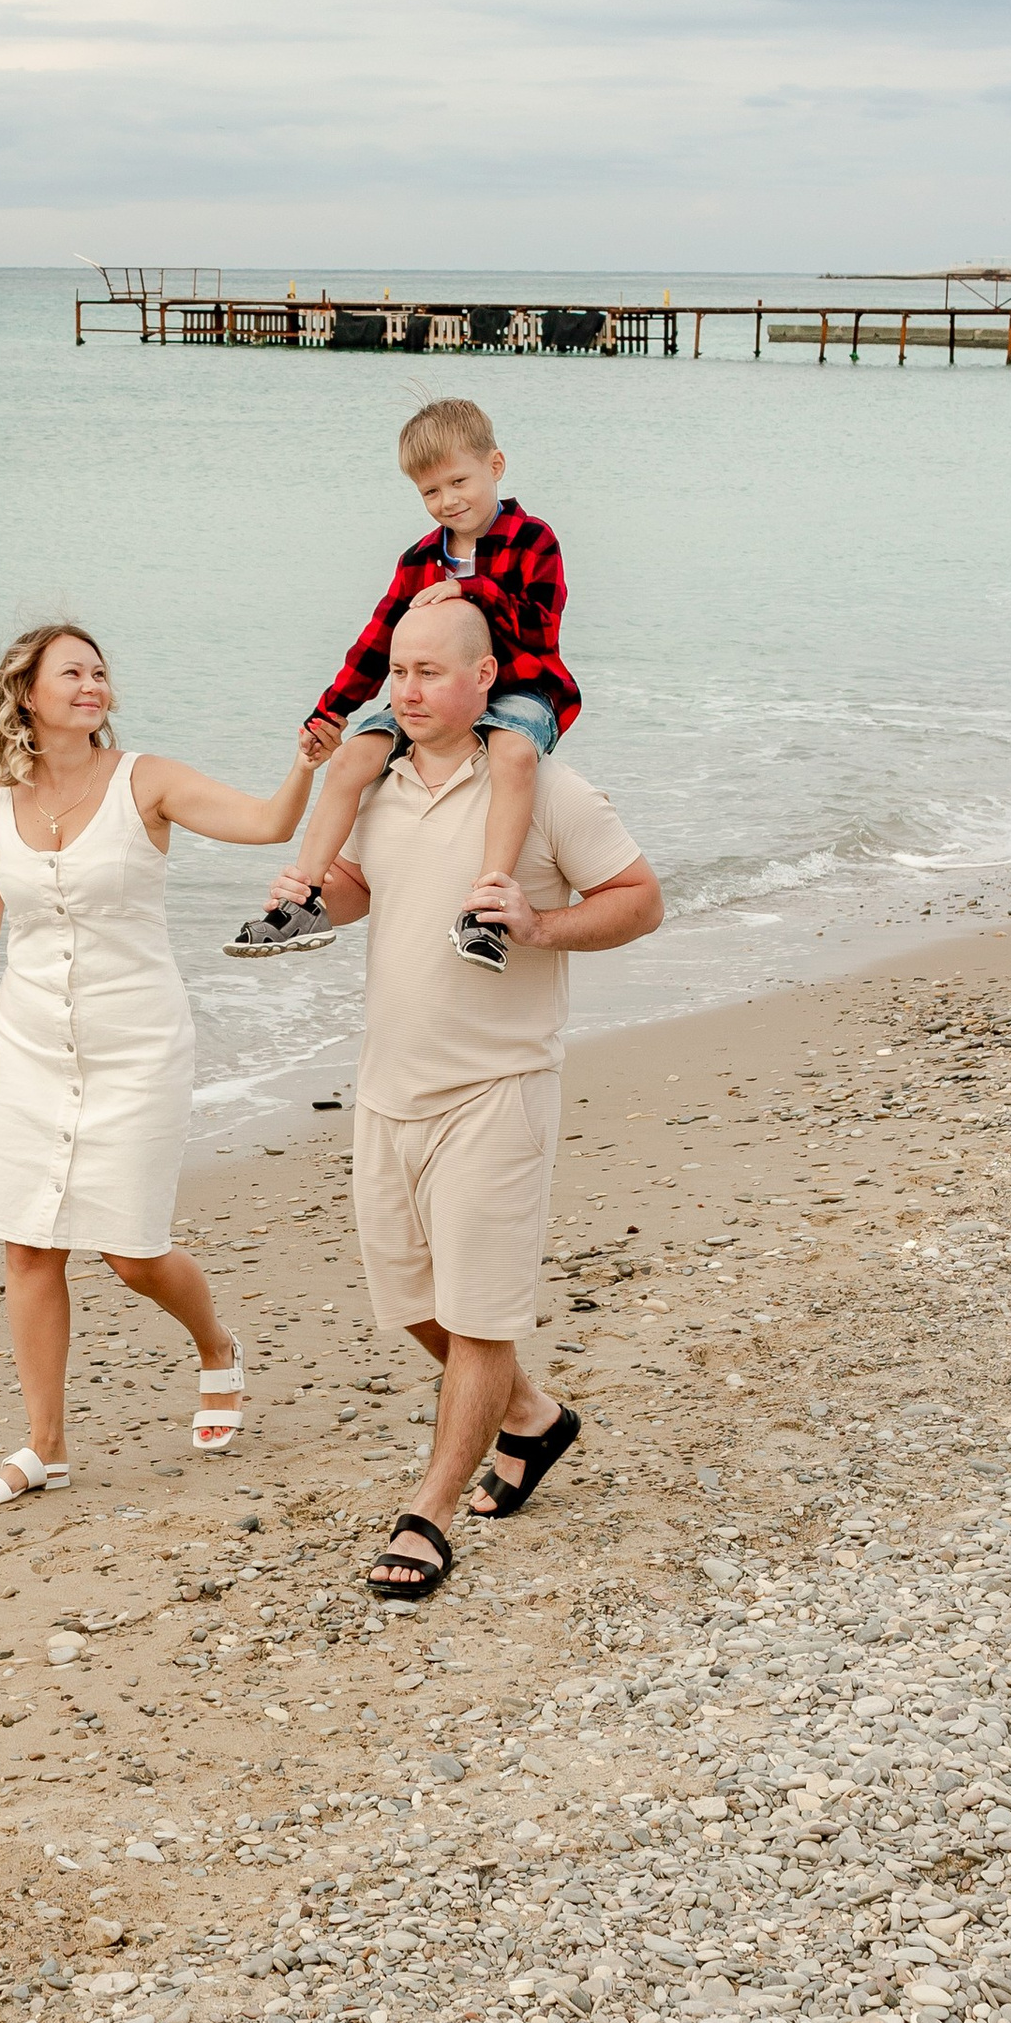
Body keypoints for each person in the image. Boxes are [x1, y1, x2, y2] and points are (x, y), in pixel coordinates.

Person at [309, 595, 660, 1602]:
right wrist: (296, 900)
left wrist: (541, 925)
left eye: (429, 673)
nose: (407, 690)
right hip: (388, 1088)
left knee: (476, 1314)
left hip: (497, 1086)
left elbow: (641, 899)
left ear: (482, 681)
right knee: (410, 1302)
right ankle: (534, 1420)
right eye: (397, 673)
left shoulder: (544, 789)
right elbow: (355, 886)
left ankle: (429, 1511)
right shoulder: (375, 778)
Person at [0, 621, 314, 1506]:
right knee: (28, 1248)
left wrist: (305, 764)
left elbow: (265, 824)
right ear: (28, 694)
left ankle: (215, 1346)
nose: (93, 685)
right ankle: (44, 1447)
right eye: (73, 673)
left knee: (129, 1253)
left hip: (136, 1043)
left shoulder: (148, 780)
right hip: (28, 1045)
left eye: (100, 672)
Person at [227, 396, 576, 977]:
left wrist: (473, 591)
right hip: (428, 697)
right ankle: (304, 899)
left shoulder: (533, 539)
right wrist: (328, 715)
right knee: (352, 760)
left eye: (459, 481)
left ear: (496, 465)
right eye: (430, 492)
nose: (448, 501)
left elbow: (542, 629)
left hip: (520, 687)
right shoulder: (418, 558)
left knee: (513, 754)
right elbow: (376, 645)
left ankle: (486, 909)